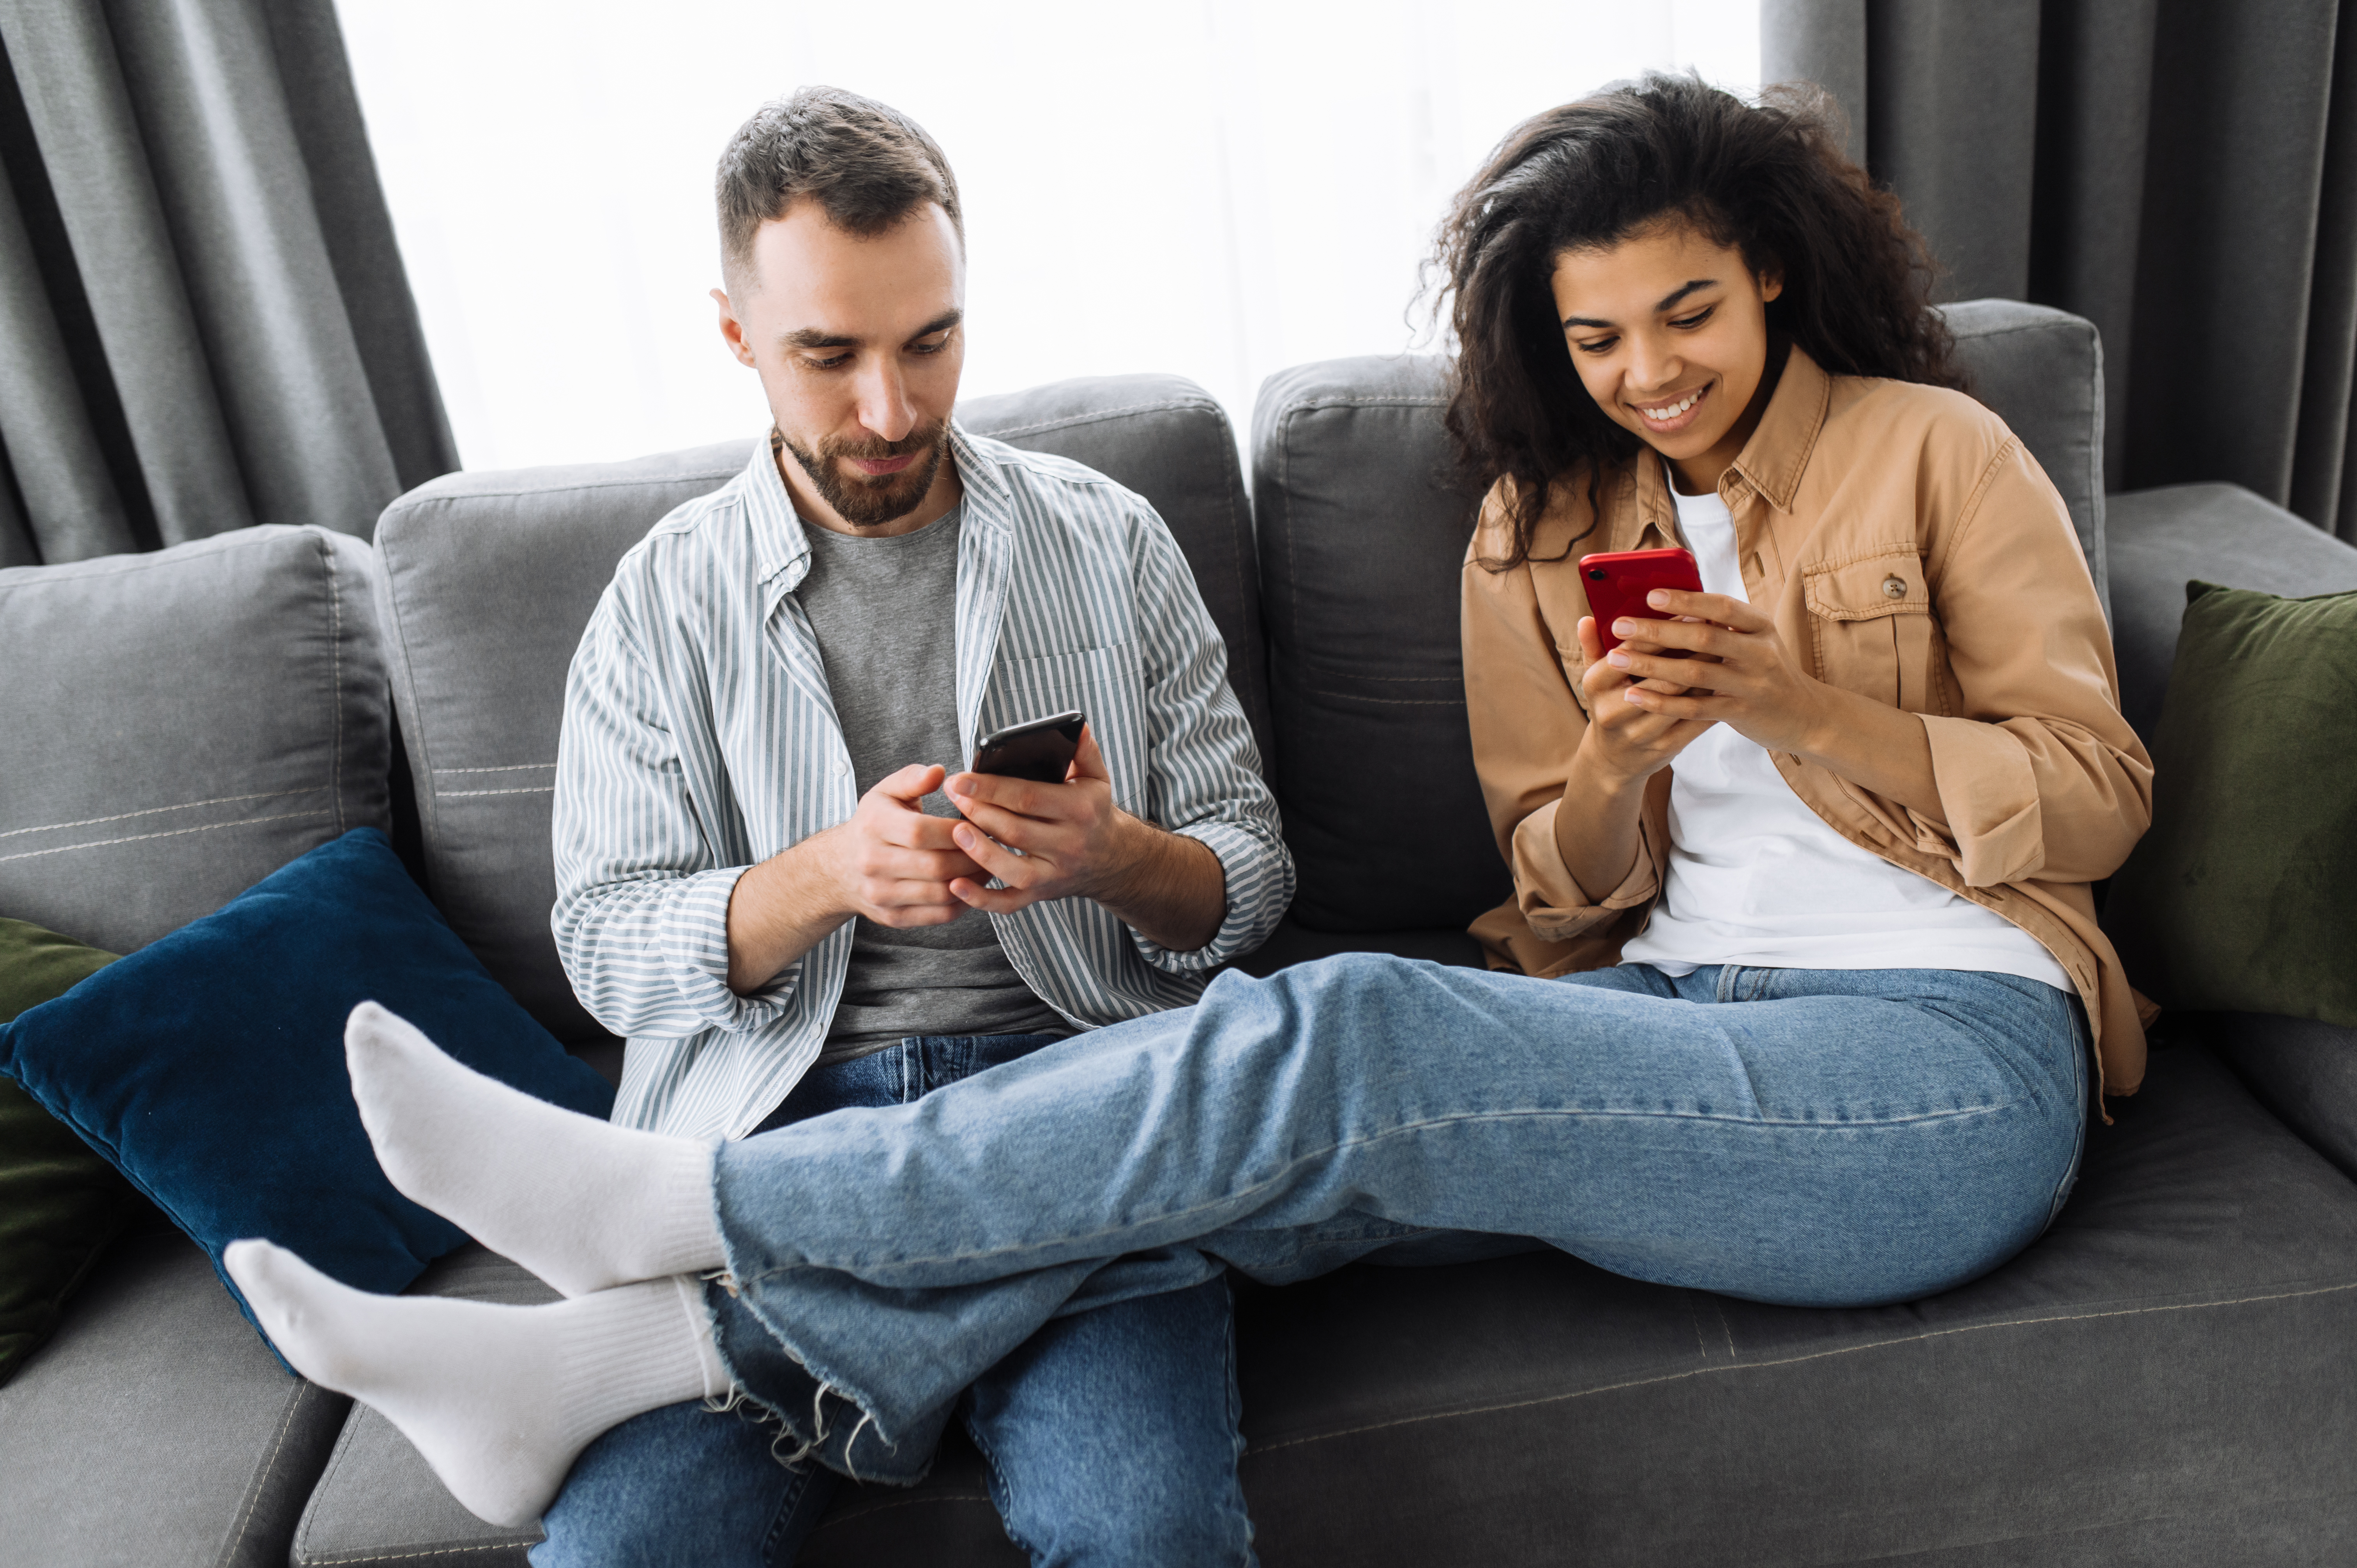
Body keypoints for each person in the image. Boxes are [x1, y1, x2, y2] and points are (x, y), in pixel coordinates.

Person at [223, 72, 2153, 1539]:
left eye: (1689, 315)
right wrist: (1628, 764)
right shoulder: (1546, 531)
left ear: (1774, 278)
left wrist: (1806, 704)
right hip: (1652, 1019)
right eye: (1592, 338)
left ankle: (681, 1219)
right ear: (743, 339)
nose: (1647, 374)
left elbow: (2098, 799)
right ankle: (646, 1325)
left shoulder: (1938, 449)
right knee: (1246, 1129)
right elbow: (1563, 891)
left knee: (1336, 1024)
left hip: (1942, 1053)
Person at [519, 87, 1290, 1566]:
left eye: (929, 341)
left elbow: (1247, 883)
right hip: (776, 1118)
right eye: (830, 355)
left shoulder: (1108, 539)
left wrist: (1115, 860)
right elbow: (607, 954)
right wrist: (818, 880)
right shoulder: (658, 603)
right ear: (738, 335)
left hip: (1079, 1104)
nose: (890, 410)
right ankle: (875, 1292)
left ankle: (829, 1328)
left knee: (1154, 1538)